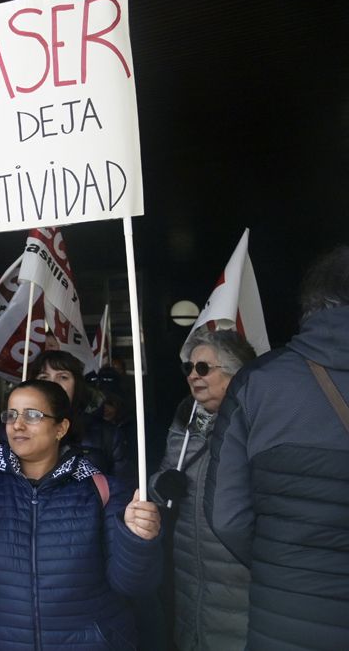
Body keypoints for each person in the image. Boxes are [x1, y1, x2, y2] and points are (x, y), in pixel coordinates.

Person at [0, 379, 162, 650]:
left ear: (61, 428)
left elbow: (132, 584)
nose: (17, 425)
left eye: (32, 415)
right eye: (11, 415)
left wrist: (138, 540)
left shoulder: (101, 489)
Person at [206, 246, 349, 650]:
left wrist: (282, 564)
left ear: (310, 307)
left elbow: (227, 516)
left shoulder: (259, 382)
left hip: (285, 622)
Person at [150, 328, 255, 651]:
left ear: (236, 372)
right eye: (189, 368)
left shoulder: (259, 422)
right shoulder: (185, 420)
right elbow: (164, 478)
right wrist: (159, 487)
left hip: (238, 578)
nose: (193, 375)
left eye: (204, 368)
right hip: (188, 573)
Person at [30, 350, 135, 484]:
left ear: (77, 384)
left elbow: (123, 492)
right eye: (44, 377)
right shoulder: (14, 431)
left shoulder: (107, 435)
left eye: (63, 377)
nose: (53, 384)